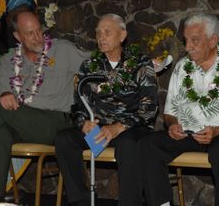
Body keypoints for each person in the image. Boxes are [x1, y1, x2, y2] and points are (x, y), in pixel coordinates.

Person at [140, 13, 219, 206]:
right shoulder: (182, 67)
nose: (187, 47)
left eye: (195, 40)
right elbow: (170, 111)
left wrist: (218, 130)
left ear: (213, 40)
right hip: (188, 133)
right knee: (147, 144)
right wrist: (173, 125)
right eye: (186, 40)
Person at [0, 10, 89, 202]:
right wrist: (5, 94)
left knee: (0, 109)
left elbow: (97, 62)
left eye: (39, 31)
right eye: (30, 33)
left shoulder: (62, 50)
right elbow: (4, 97)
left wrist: (134, 60)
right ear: (17, 36)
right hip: (21, 123)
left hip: (55, 122)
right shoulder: (8, 60)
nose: (37, 37)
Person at [54, 14, 158, 206]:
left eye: (107, 32)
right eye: (98, 33)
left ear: (122, 35)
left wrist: (119, 127)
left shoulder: (141, 64)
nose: (101, 37)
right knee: (64, 139)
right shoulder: (89, 66)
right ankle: (81, 202)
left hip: (131, 128)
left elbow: (149, 108)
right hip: (100, 129)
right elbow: (78, 104)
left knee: (129, 145)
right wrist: (83, 122)